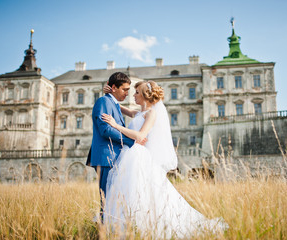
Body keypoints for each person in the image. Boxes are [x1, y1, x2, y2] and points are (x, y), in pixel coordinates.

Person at [101, 81, 228, 238]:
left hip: (138, 157)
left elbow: (141, 136)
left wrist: (116, 125)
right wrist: (109, 93)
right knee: (130, 192)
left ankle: (144, 226)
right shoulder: (138, 113)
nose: (133, 95)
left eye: (137, 93)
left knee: (143, 192)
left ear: (146, 95)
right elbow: (119, 107)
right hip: (130, 156)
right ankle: (129, 225)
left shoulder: (151, 114)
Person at [86, 72, 142, 220]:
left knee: (112, 199)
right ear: (113, 88)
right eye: (124, 90)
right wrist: (131, 141)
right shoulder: (103, 102)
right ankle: (103, 231)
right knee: (105, 200)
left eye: (129, 90)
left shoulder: (113, 104)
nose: (127, 94)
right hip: (106, 157)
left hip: (113, 157)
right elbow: (105, 130)